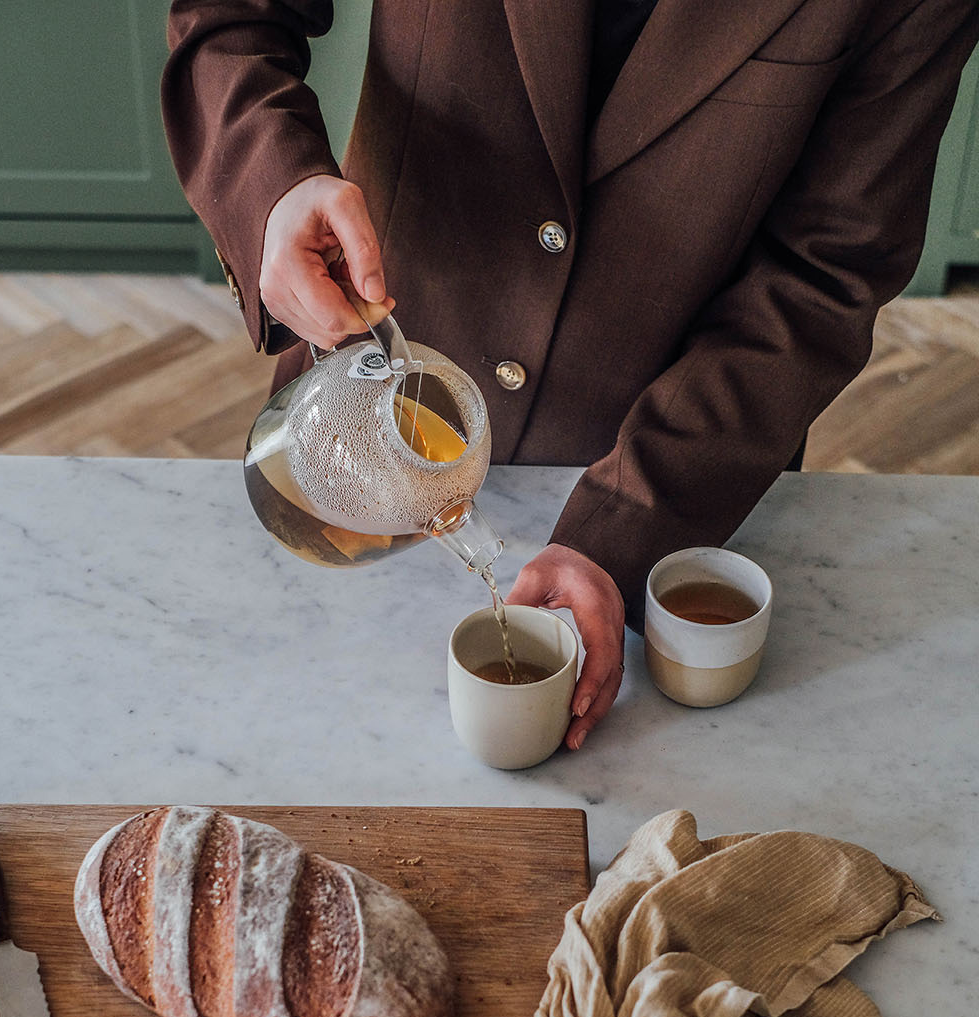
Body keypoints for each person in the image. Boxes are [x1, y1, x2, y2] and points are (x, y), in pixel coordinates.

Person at [162, 0, 978, 749]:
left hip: (670, 486)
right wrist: (275, 188)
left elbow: (826, 270)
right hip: (364, 437)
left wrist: (624, 524)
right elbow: (230, 14)